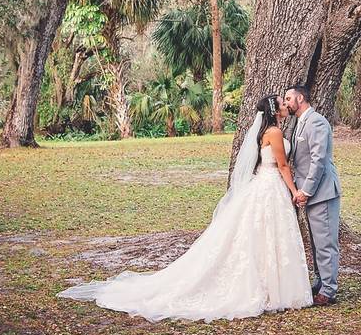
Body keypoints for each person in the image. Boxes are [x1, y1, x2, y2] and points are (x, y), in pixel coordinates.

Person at [56, 95, 313, 322]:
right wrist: (294, 192)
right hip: (270, 187)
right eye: (282, 103)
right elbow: (282, 166)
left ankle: (271, 286)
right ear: (274, 110)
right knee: (266, 236)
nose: (285, 106)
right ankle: (270, 288)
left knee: (263, 237)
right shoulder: (275, 133)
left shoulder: (267, 131)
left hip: (265, 185)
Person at [283, 85, 342, 306]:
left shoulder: (316, 121)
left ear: (300, 98)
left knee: (326, 242)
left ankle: (329, 290)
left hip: (322, 193)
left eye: (289, 98)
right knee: (318, 242)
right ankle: (320, 280)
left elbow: (318, 160)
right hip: (312, 193)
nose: (287, 102)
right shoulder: (300, 122)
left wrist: (305, 191)